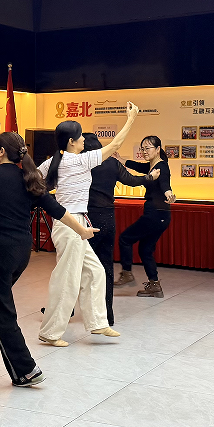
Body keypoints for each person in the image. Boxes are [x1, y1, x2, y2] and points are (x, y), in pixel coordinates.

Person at [0, 131, 99, 386]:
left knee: (2, 309)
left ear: (1, 151)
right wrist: (82, 230)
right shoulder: (29, 179)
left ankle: (26, 369)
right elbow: (58, 210)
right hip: (22, 252)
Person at [35, 104, 140, 346]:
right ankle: (50, 332)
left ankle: (97, 323)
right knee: (67, 280)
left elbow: (32, 180)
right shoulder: (80, 161)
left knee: (95, 271)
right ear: (71, 142)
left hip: (76, 223)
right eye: (80, 136)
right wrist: (131, 119)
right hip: (70, 224)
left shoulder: (54, 162)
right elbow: (115, 145)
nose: (84, 139)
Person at [82, 133, 153, 326]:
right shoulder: (112, 163)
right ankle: (108, 314)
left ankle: (68, 310)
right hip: (108, 218)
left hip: (88, 218)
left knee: (78, 265)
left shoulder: (83, 164)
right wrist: (149, 177)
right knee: (106, 267)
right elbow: (131, 180)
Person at [116, 136, 174, 298]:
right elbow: (138, 166)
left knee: (125, 238)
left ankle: (126, 273)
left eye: (147, 148)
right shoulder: (152, 166)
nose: (144, 151)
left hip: (155, 214)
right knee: (145, 249)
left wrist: (169, 193)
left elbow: (165, 183)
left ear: (158, 149)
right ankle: (155, 286)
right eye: (142, 149)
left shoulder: (161, 167)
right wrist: (121, 160)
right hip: (160, 216)